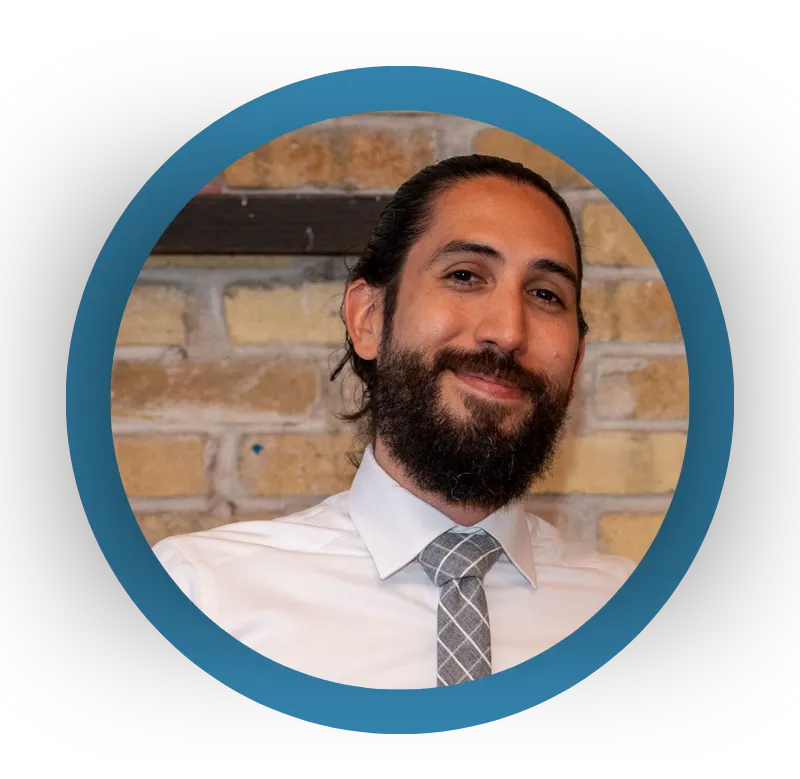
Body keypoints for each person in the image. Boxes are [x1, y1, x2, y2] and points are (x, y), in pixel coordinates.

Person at [152, 154, 635, 689]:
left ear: (577, 360)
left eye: (545, 294)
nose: (508, 331)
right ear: (369, 319)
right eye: (465, 275)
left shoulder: (627, 609)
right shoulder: (201, 597)